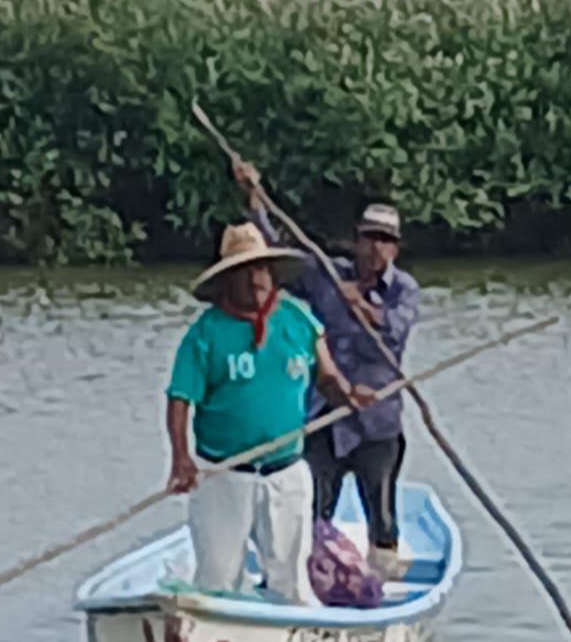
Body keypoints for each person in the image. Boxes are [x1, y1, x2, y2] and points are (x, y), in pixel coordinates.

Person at [166, 222, 374, 602]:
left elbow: (326, 375)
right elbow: (180, 398)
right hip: (223, 473)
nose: (256, 279)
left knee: (291, 578)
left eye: (261, 269)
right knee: (217, 578)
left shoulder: (297, 320)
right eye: (245, 272)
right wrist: (181, 458)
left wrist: (348, 395)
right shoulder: (206, 334)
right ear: (229, 281)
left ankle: (292, 638)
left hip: (285, 471)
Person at [236, 165, 420, 579]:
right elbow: (275, 252)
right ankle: (305, 583)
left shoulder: (405, 289)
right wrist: (255, 200)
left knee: (383, 521)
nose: (375, 248)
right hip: (325, 415)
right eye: (369, 237)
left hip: (377, 424)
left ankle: (382, 588)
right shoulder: (325, 273)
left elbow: (393, 326)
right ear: (357, 239)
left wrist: (359, 303)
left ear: (395, 249)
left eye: (385, 240)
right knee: (313, 512)